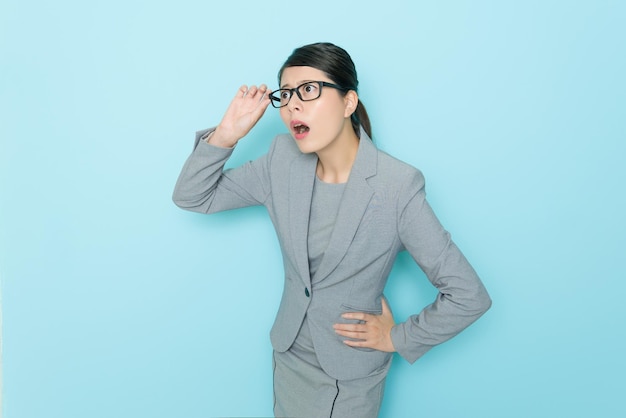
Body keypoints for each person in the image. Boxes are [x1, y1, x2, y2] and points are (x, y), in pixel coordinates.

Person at [172, 42, 491, 418]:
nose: (292, 104)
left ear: (348, 102)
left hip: (349, 376)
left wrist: (396, 337)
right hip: (290, 357)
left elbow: (469, 295)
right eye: (286, 94)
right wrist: (227, 133)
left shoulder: (397, 187)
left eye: (308, 90)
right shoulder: (281, 161)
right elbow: (193, 197)